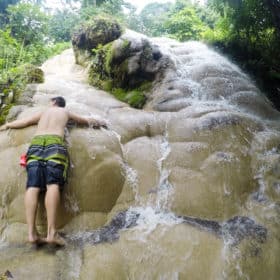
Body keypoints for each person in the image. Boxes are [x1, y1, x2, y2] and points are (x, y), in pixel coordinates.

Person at [0, 96, 106, 246]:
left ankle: (31, 234)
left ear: (54, 102)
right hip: (55, 145)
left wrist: (7, 125)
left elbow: (24, 122)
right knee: (53, 185)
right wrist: (101, 122)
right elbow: (86, 120)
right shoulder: (65, 112)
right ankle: (52, 233)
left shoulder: (44, 112)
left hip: (36, 144)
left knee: (33, 186)